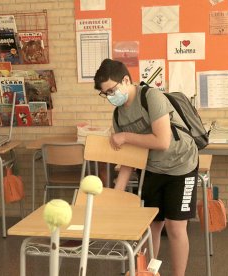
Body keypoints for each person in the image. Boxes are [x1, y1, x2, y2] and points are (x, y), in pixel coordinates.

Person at [94, 59, 198, 276]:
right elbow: (128, 159)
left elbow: (162, 142)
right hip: (151, 168)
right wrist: (114, 197)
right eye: (106, 93)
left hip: (181, 165)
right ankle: (148, 273)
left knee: (175, 227)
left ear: (126, 80)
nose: (111, 96)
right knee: (151, 225)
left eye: (112, 90)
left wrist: (124, 136)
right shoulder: (118, 114)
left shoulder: (151, 97)